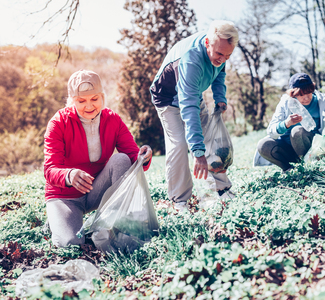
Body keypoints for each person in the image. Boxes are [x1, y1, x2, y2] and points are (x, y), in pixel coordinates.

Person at [44, 70, 152, 247]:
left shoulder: (113, 120)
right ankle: (57, 220)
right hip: (65, 196)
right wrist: (69, 175)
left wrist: (143, 157)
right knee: (71, 242)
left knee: (121, 160)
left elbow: (132, 156)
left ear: (102, 97)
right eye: (81, 101)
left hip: (95, 189)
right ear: (72, 101)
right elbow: (50, 170)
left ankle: (122, 224)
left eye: (94, 99)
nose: (89, 106)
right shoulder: (58, 123)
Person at [150, 20, 239, 208]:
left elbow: (219, 71)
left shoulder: (219, 50)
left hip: (192, 93)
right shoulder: (191, 60)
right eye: (219, 54)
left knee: (211, 139)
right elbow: (189, 107)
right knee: (180, 144)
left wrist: (219, 96)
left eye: (228, 55)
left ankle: (221, 189)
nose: (222, 59)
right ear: (207, 43)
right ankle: (179, 201)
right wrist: (197, 152)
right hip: (167, 98)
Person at [254, 73, 325, 172]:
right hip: (288, 149)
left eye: (308, 93)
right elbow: (271, 130)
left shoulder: (323, 101)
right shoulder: (285, 103)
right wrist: (286, 124)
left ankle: (308, 167)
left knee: (297, 131)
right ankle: (288, 169)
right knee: (263, 145)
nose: (306, 98)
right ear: (293, 94)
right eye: (301, 94)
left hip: (313, 149)